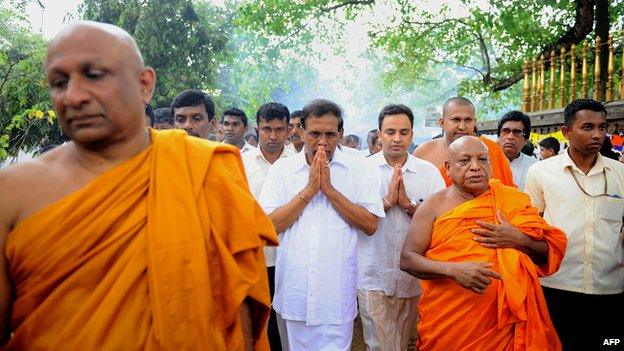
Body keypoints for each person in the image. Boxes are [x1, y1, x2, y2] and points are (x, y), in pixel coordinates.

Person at [0, 21, 277, 350]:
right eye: (59, 83)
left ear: (145, 85)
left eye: (94, 75)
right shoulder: (14, 190)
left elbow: (239, 305)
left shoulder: (205, 169)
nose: (72, 96)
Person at [400, 136, 566, 351]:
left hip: (506, 326)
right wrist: (452, 270)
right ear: (448, 168)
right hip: (451, 324)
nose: (475, 167)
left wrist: (519, 239)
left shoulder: (511, 201)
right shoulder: (433, 205)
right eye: (464, 161)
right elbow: (408, 259)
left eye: (482, 159)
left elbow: (548, 252)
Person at [258, 99, 384, 350]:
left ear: (341, 133)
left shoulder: (359, 168)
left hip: (335, 296)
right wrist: (309, 191)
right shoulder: (283, 170)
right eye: (315, 134)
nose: (322, 142)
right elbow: (268, 228)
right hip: (294, 293)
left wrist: (329, 190)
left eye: (330, 134)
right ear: (301, 132)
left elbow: (370, 224)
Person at [524, 98, 624, 351]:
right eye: (588, 127)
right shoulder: (541, 172)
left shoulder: (620, 173)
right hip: (557, 286)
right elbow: (532, 226)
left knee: (608, 345)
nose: (597, 134)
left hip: (610, 288)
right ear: (567, 132)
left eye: (602, 127)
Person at [358, 104, 444, 351]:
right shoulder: (362, 170)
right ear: (379, 134)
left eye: (404, 132)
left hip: (413, 278)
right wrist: (386, 204)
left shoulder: (428, 173)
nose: (397, 139)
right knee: (379, 345)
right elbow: (353, 217)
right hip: (373, 272)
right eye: (391, 132)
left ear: (412, 135)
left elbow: (441, 222)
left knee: (405, 342)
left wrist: (408, 206)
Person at [241, 102, 295, 351]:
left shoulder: (299, 165)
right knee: (254, 322)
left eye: (279, 129)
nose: (273, 136)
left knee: (284, 323)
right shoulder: (241, 163)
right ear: (256, 129)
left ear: (289, 130)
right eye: (266, 129)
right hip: (254, 257)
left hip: (290, 258)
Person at [413, 97, 515, 187]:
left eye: (468, 120)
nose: (462, 127)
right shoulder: (424, 152)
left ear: (474, 122)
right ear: (442, 123)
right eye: (456, 120)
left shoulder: (489, 148)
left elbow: (507, 193)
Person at [496, 110, 537, 191]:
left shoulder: (534, 167)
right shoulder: (485, 162)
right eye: (505, 131)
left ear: (525, 140)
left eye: (517, 132)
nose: (510, 137)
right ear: (498, 136)